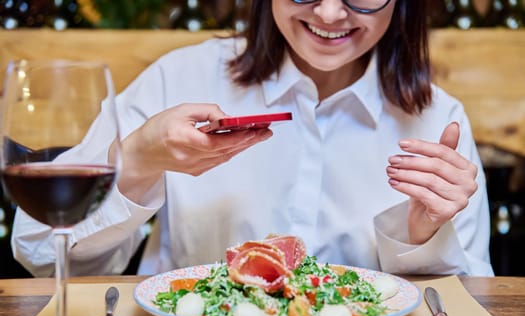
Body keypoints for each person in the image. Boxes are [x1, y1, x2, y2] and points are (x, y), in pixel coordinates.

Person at [12, 0, 494, 277]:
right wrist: (135, 162)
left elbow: (472, 312)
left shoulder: (439, 120)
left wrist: (423, 236)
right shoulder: (178, 78)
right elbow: (36, 249)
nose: (329, 12)